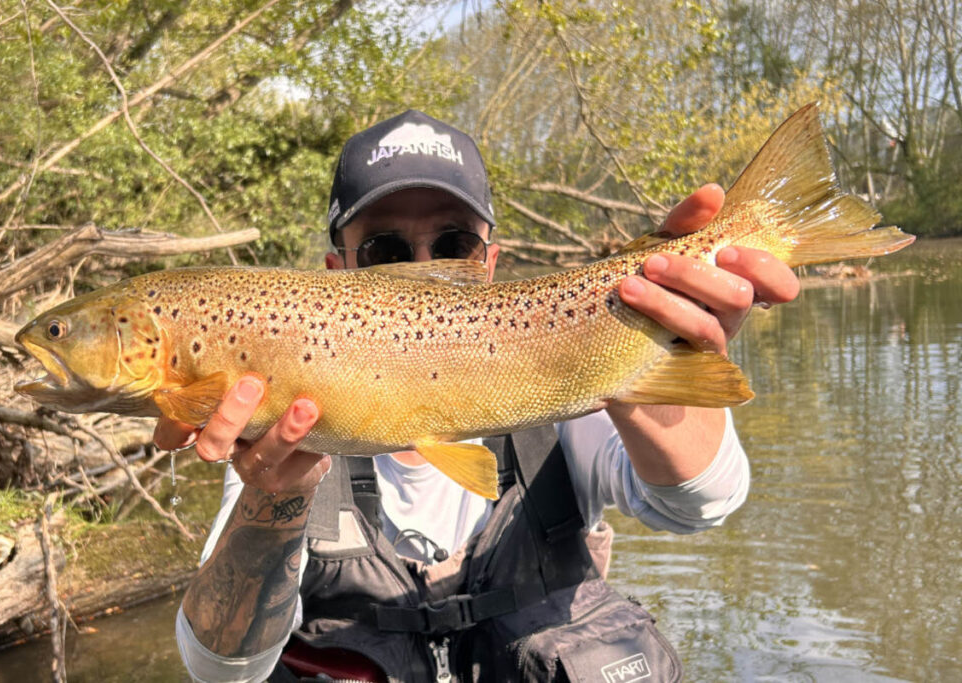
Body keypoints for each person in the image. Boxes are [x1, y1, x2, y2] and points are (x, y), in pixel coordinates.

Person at [162, 110, 800, 681]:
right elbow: (222, 668)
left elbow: (701, 504)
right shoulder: (281, 424)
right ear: (338, 273)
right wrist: (275, 499)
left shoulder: (560, 386)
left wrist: (643, 345)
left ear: (488, 263)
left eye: (452, 244)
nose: (420, 266)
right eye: (385, 250)